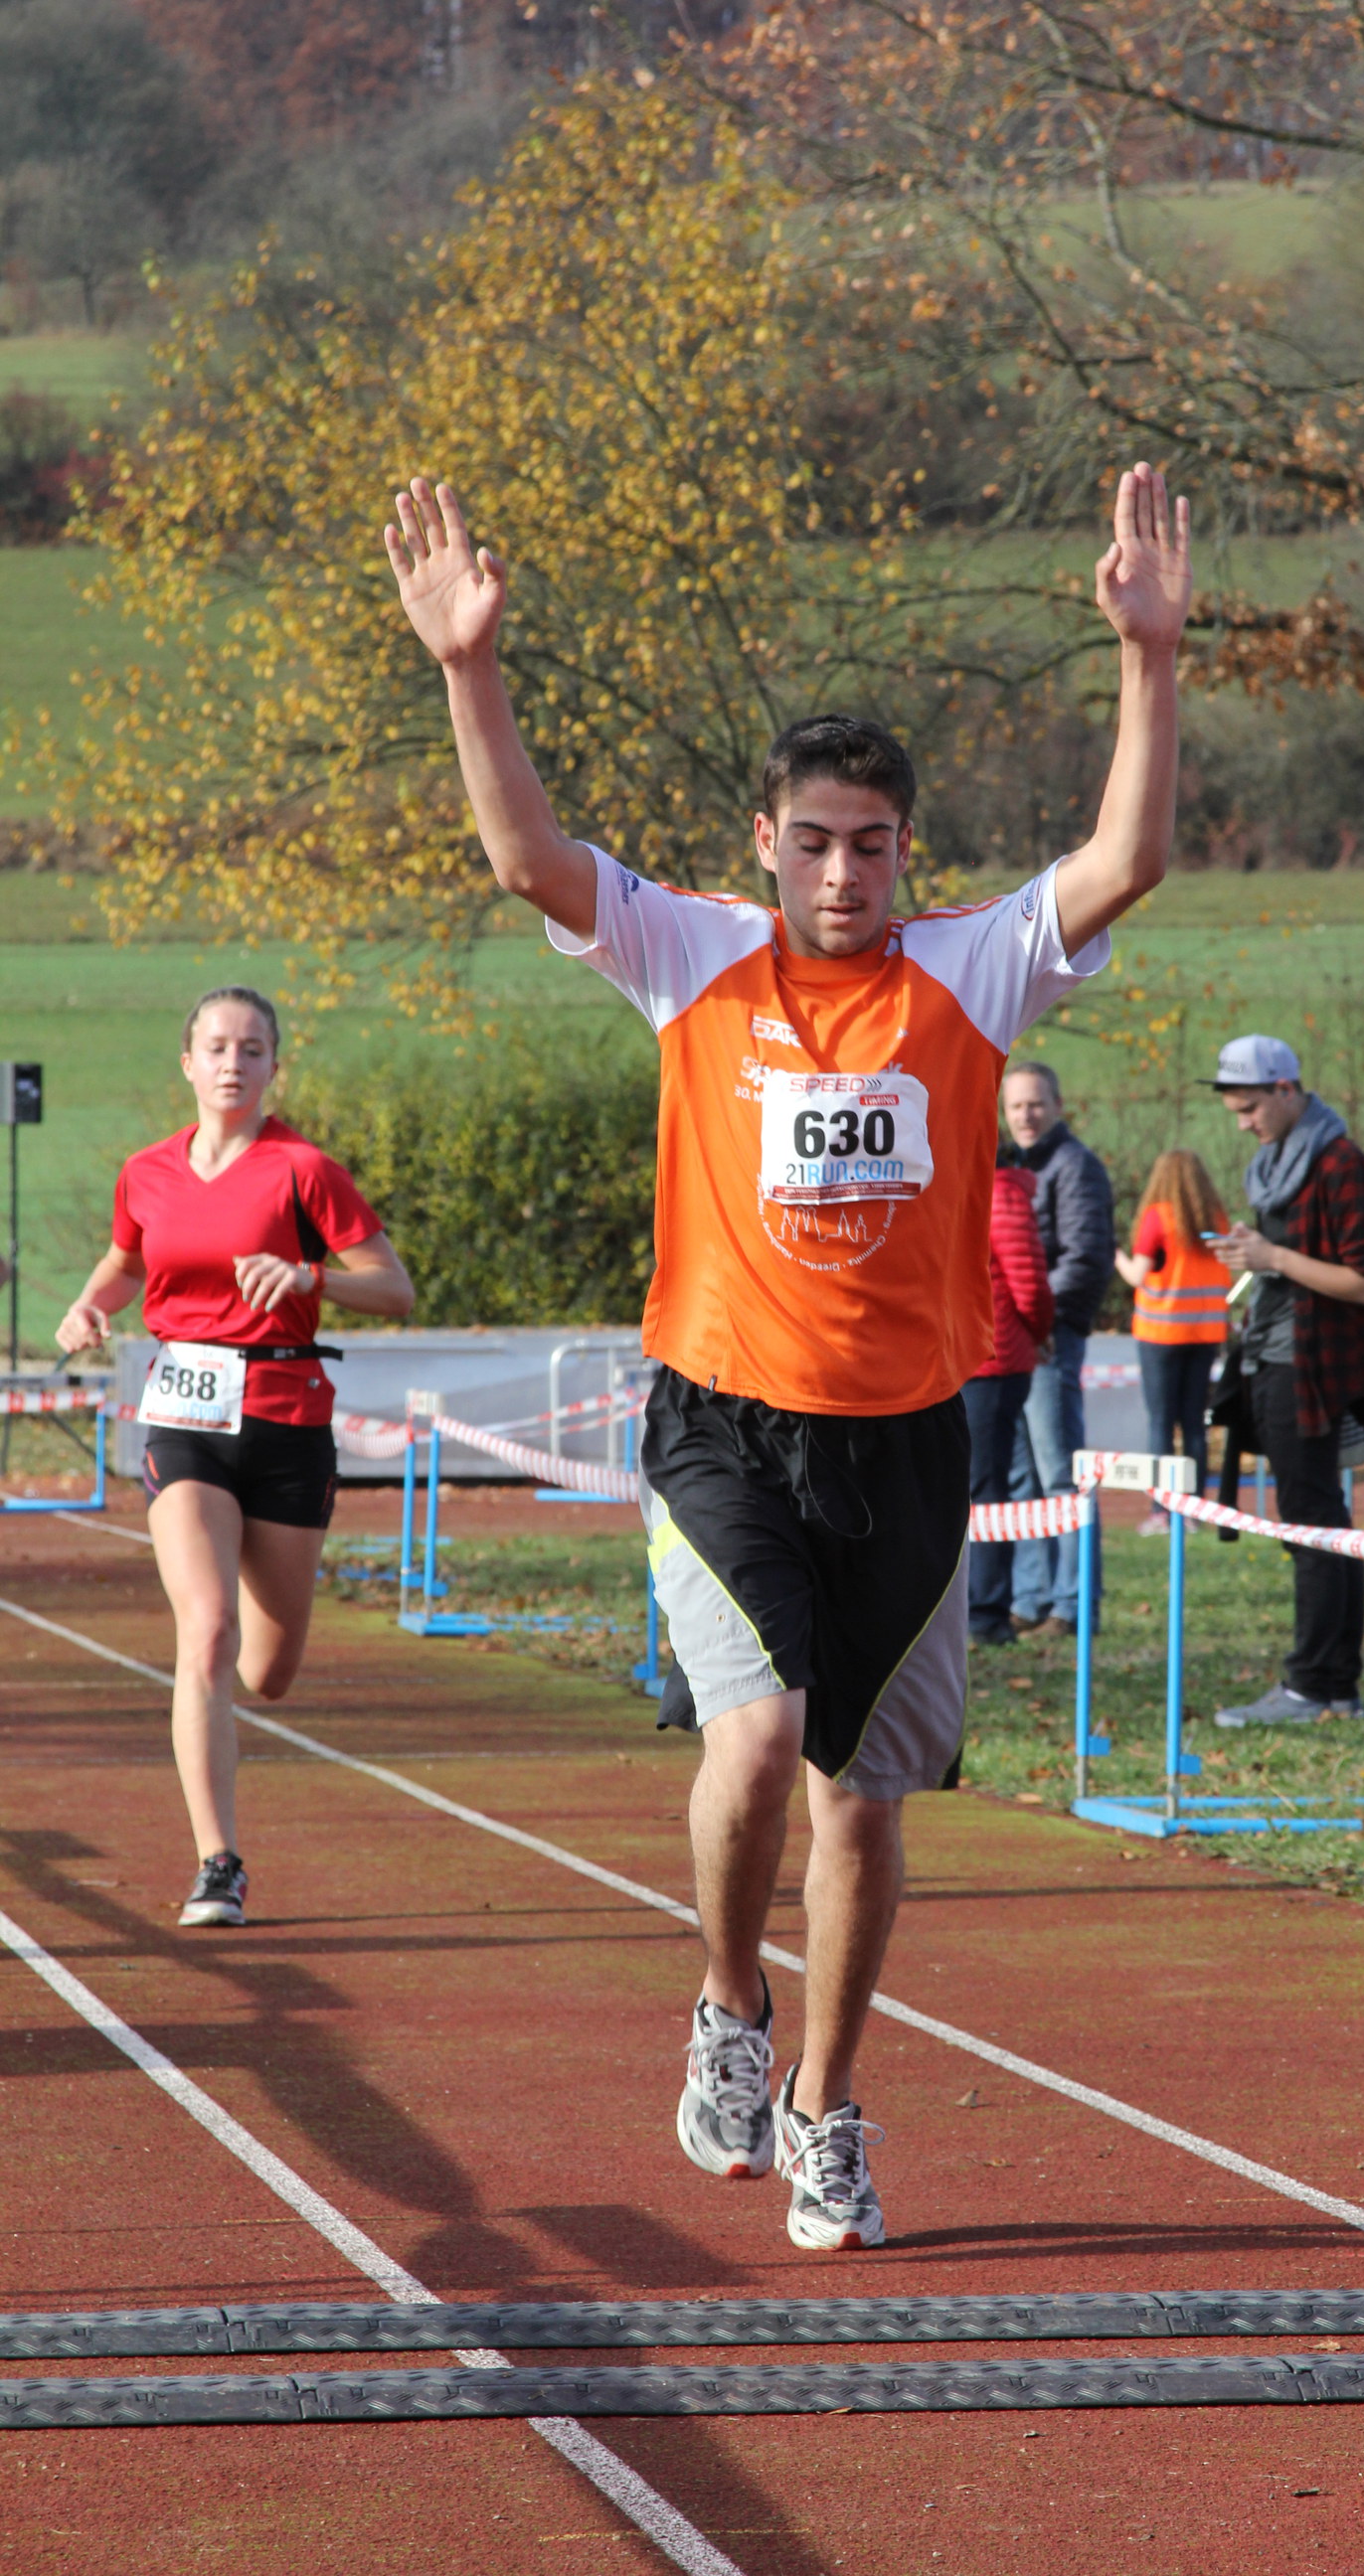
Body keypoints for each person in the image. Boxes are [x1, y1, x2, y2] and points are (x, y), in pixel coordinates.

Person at [384, 462, 1192, 2249]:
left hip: (904, 1441)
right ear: (765, 843)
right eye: (813, 841)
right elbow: (526, 858)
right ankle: (728, 2002)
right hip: (724, 1423)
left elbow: (1125, 860)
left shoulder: (969, 973)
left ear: (909, 855)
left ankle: (827, 2101)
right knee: (752, 1746)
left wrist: (1149, 655)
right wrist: (469, 665)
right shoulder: (692, 954)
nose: (841, 871)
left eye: (871, 844)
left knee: (863, 1801)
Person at [54, 988, 415, 1926]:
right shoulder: (146, 1172)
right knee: (207, 1630)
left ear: (272, 1069)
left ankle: (246, 1694)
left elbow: (396, 1289)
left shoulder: (305, 1171)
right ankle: (219, 1863)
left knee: (269, 1671)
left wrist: (308, 1276)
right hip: (185, 1420)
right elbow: (126, 1262)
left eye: (252, 1049)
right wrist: (90, 1305)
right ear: (187, 1062)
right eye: (216, 1046)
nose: (232, 1063)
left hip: (287, 1422)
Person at [1202, 1036, 1364, 1728]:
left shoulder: (1342, 1164)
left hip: (1313, 1369)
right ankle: (1333, 1686)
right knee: (1320, 1522)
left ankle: (1312, 1684)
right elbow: (1287, 1260)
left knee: (1314, 1524)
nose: (1243, 1124)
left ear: (1286, 1089)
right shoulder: (1278, 1164)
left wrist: (1272, 1257)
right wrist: (1254, 1258)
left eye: (1250, 1108)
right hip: (1273, 1359)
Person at [999, 1063, 1114, 1639]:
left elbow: (1086, 1257)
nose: (1026, 1115)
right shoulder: (1009, 1166)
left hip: (1051, 1337)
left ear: (1058, 1105)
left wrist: (1037, 1318)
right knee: (1022, 1478)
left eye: (1036, 1103)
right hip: (1014, 1342)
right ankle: (1030, 1598)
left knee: (1061, 1474)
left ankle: (1072, 1604)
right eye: (1016, 1105)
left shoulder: (1075, 1166)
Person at [964, 1154, 1055, 1646]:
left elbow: (1030, 1284)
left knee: (987, 1486)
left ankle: (987, 1613)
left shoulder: (1002, 1192)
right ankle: (979, 1608)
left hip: (994, 1359)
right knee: (981, 1484)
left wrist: (1038, 1333)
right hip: (969, 1357)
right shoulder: (977, 1185)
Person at [1113, 1147, 1230, 1530]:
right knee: (1194, 1424)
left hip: (1161, 1333)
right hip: (1205, 1332)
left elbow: (1137, 1275)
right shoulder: (1215, 1219)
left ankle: (1161, 1511)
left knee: (1161, 1423)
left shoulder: (1158, 1218)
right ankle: (1194, 1509)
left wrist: (1114, 1254)